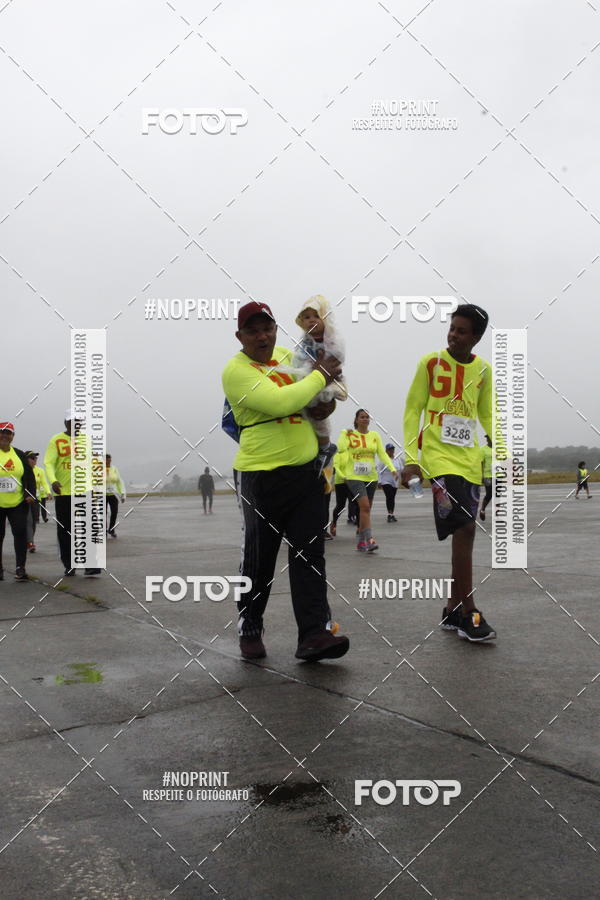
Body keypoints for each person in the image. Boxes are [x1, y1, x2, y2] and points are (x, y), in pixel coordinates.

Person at [222, 300, 349, 662]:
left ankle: (314, 634)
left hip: (307, 472)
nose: (263, 336)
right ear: (240, 336)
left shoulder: (287, 355)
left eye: (268, 328)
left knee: (310, 554)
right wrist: (319, 378)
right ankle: (250, 624)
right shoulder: (236, 370)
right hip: (261, 474)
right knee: (260, 557)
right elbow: (280, 402)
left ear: (276, 328)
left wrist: (327, 401)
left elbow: (314, 391)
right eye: (253, 330)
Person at [402, 303, 497, 642]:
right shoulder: (430, 363)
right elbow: (413, 410)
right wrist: (412, 458)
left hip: (469, 461)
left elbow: (487, 416)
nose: (453, 335)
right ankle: (468, 610)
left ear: (476, 337)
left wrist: (505, 452)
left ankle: (452, 609)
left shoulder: (483, 371)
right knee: (465, 526)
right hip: (439, 459)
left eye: (461, 330)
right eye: (452, 328)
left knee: (465, 533)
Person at [283, 295, 348, 471]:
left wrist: (322, 370)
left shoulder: (334, 339)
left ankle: (325, 446)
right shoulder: (303, 344)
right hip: (310, 382)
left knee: (326, 402)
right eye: (306, 317)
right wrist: (310, 371)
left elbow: (337, 359)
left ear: (325, 318)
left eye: (316, 316)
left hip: (332, 380)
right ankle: (324, 447)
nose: (311, 320)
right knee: (312, 412)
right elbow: (298, 361)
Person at [44, 411, 101, 578]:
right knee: (65, 530)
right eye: (71, 422)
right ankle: (69, 564)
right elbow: (48, 462)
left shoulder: (86, 440)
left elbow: (91, 463)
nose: (75, 425)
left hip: (85, 491)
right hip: (64, 493)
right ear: (65, 423)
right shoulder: (56, 440)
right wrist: (53, 480)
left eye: (78, 422)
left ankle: (91, 565)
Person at [336, 410, 395, 552]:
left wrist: (392, 468)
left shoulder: (374, 436)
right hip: (354, 476)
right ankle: (369, 539)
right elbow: (341, 449)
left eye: (367, 417)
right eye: (362, 417)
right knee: (365, 507)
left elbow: (381, 453)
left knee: (366, 510)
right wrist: (344, 433)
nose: (365, 419)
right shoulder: (349, 434)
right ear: (356, 420)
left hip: (371, 477)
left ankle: (361, 542)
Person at [0, 422, 36, 581]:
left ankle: (20, 567)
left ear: (13, 436)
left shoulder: (20, 455)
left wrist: (31, 494)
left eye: (8, 433)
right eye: (2, 432)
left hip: (18, 503)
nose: (4, 436)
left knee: (20, 533)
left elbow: (29, 476)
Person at [24, 451, 50, 551]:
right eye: (32, 458)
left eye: (35, 458)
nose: (35, 460)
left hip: (36, 499)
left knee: (33, 521)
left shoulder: (40, 471)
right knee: (28, 520)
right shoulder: (22, 470)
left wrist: (48, 492)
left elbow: (44, 482)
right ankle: (29, 543)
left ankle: (30, 541)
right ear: (27, 459)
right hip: (23, 500)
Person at [378, 443, 402, 523]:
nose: (391, 451)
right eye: (389, 449)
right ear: (386, 450)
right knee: (390, 496)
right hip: (385, 481)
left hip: (395, 482)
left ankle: (392, 514)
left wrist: (401, 476)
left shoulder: (397, 459)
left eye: (392, 449)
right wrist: (379, 481)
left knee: (392, 498)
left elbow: (401, 469)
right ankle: (389, 515)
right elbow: (378, 470)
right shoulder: (383, 459)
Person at [106, 454, 126, 537]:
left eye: (110, 460)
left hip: (113, 494)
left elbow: (119, 481)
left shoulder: (114, 469)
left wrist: (122, 494)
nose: (109, 461)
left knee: (114, 512)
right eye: (107, 460)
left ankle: (111, 530)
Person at [479, 436, 493, 520]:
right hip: (488, 476)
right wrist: (481, 475)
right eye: (487, 438)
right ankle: (482, 509)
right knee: (490, 493)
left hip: (498, 475)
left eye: (490, 438)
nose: (488, 440)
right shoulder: (483, 449)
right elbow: (481, 463)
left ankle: (498, 515)